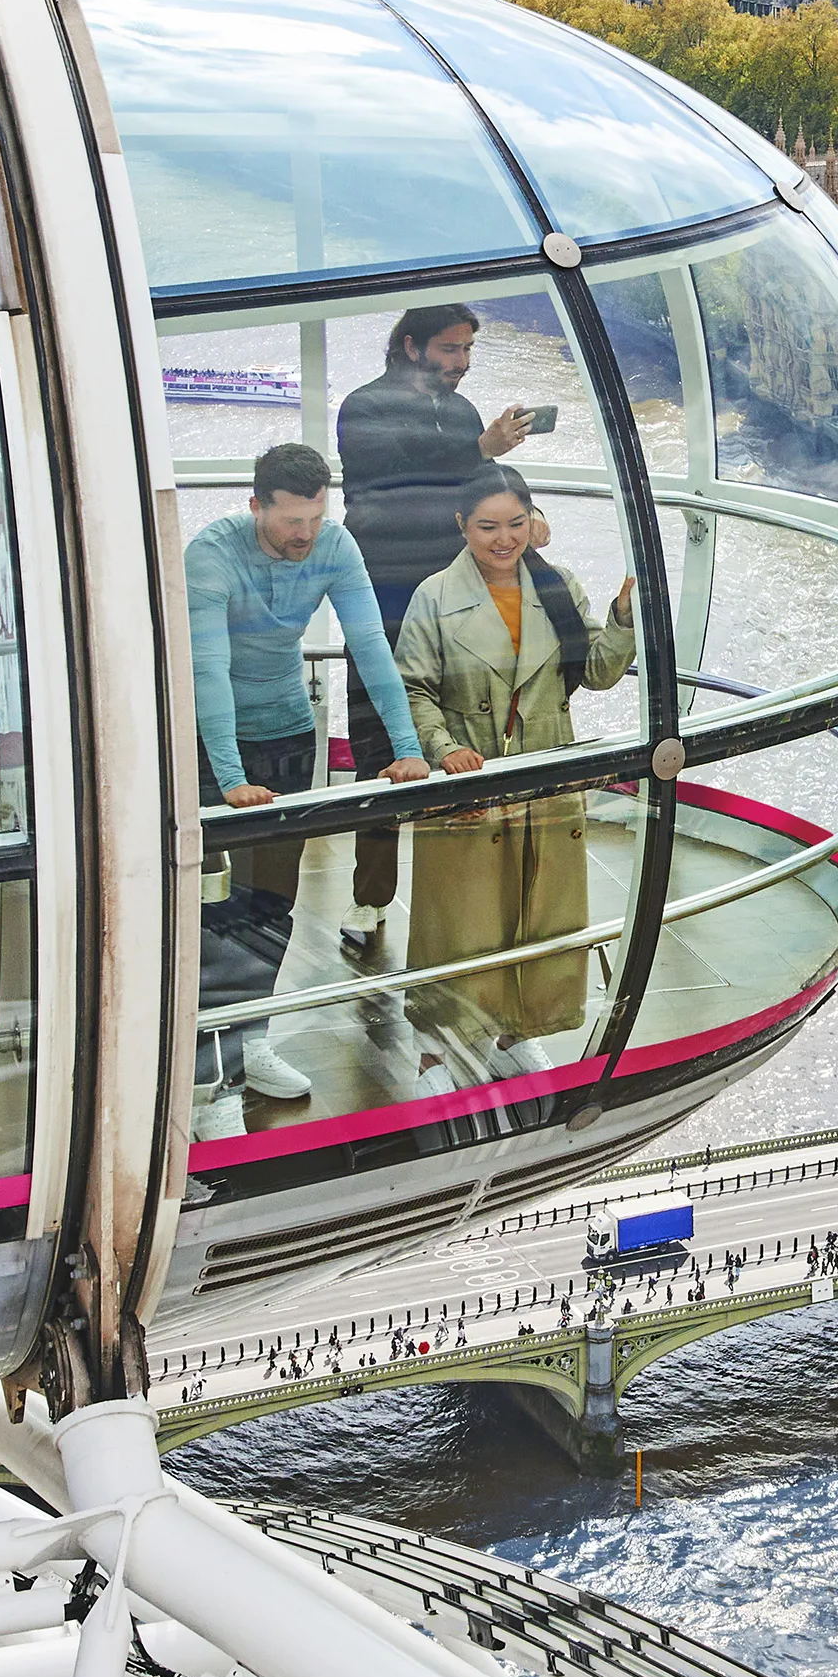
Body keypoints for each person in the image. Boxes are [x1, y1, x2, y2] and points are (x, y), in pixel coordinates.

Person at [183, 445, 430, 1138]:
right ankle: (211, 1080)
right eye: (292, 520)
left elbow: (372, 648)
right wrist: (231, 779)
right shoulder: (210, 556)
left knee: (272, 902)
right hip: (214, 740)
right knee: (211, 914)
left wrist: (408, 747)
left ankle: (248, 1039)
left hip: (289, 732)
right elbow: (206, 673)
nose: (305, 534)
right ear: (256, 504)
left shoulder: (334, 544)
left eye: (315, 518)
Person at [391, 466, 637, 1081]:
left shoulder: (557, 587)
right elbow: (411, 686)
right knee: (462, 917)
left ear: (533, 520)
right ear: (461, 526)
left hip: (547, 772)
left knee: (537, 908)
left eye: (516, 524)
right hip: (470, 779)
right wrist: (445, 748)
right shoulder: (434, 596)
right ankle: (435, 1047)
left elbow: (598, 673)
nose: (504, 539)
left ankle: (515, 1032)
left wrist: (626, 617)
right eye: (488, 526)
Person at [336, 305, 538, 955]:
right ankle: (369, 900)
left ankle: (464, 894)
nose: (462, 363)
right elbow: (390, 474)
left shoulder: (459, 412)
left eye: (468, 350)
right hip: (386, 596)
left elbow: (476, 493)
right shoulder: (363, 408)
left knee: (460, 731)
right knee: (382, 739)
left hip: (454, 595)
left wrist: (522, 520)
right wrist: (479, 448)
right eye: (450, 349)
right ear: (410, 345)